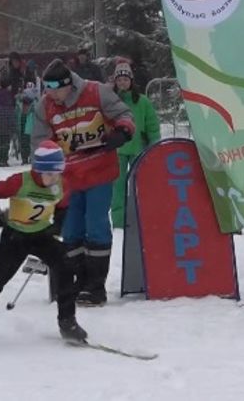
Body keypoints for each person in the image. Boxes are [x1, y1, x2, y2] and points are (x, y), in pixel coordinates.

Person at [0, 140, 86, 346]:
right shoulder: (20, 181)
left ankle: (67, 322)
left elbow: (63, 207)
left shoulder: (61, 185)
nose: (53, 178)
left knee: (66, 266)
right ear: (38, 170)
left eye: (57, 173)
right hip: (15, 237)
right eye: (49, 174)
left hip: (40, 236)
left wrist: (57, 226)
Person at [32, 59, 134, 306]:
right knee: (71, 228)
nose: (51, 95)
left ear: (68, 85)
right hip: (68, 176)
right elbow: (39, 141)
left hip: (99, 169)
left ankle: (95, 286)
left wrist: (121, 132)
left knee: (96, 223)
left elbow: (124, 114)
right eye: (47, 89)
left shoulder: (96, 91)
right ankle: (76, 281)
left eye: (55, 89)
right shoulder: (45, 106)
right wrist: (44, 165)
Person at [110, 61, 161, 229]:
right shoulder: (112, 101)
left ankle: (142, 216)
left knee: (140, 184)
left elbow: (152, 124)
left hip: (138, 148)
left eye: (125, 79)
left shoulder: (142, 101)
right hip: (117, 151)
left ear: (131, 80)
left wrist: (154, 143)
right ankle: (119, 219)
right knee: (117, 186)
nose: (122, 83)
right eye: (119, 80)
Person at [0, 77, 16, 167]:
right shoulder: (9, 96)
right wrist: (13, 124)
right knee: (6, 142)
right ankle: (3, 160)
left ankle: (0, 159)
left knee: (1, 141)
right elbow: (11, 110)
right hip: (7, 120)